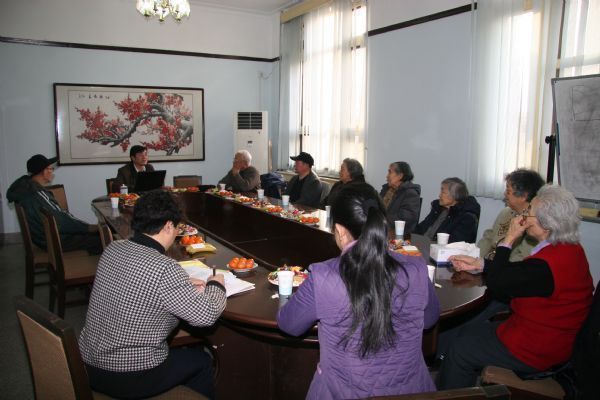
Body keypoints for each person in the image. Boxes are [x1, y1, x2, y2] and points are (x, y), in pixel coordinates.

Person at [277, 183, 440, 399]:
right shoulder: (416, 268)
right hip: (412, 391)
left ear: (340, 231)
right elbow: (429, 320)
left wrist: (285, 295)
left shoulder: (323, 276)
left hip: (341, 392)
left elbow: (289, 325)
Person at [437, 185, 594, 389]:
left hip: (537, 348)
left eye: (529, 213)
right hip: (543, 334)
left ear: (546, 225)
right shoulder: (568, 248)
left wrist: (508, 240)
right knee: (466, 331)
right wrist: (480, 264)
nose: (524, 216)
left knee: (461, 349)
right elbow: (520, 275)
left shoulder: (546, 266)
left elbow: (500, 282)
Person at [79, 190, 226, 399]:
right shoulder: (164, 268)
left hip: (88, 365)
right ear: (168, 226)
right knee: (201, 361)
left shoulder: (113, 248)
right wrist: (216, 284)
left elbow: (137, 285)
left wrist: (182, 284)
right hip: (128, 375)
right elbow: (207, 315)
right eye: (178, 227)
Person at [6, 154, 102, 255]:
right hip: (54, 239)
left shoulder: (28, 188)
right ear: (44, 171)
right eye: (50, 168)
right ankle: (99, 264)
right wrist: (88, 228)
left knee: (98, 235)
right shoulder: (37, 193)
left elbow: (59, 217)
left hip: (44, 238)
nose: (52, 171)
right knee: (104, 238)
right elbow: (60, 220)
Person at [478, 169, 545, 262]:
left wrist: (491, 266)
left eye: (508, 191)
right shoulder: (506, 212)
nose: (504, 194)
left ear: (523, 196)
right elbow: (489, 237)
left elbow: (521, 258)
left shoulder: (534, 224)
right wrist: (476, 258)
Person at [414, 177, 480, 243]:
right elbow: (421, 228)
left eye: (443, 192)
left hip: (438, 248)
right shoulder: (438, 208)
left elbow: (454, 243)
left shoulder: (467, 217)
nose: (439, 195)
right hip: (421, 244)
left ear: (454, 196)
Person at [379, 161, 421, 234]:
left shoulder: (411, 194)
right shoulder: (386, 189)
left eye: (390, 172)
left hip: (398, 234)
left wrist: (379, 221)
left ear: (400, 176)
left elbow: (404, 218)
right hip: (381, 228)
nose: (387, 176)